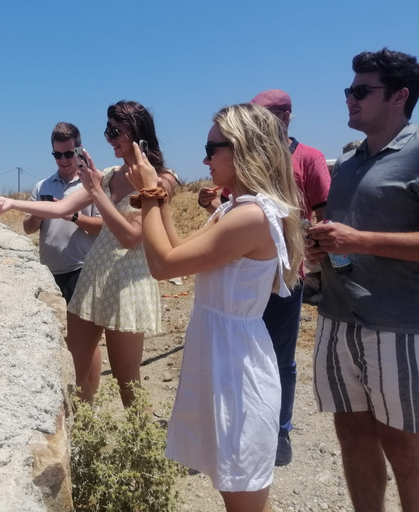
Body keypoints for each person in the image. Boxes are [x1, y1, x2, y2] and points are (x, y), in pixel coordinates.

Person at [127, 103, 304, 512]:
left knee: (243, 497)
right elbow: (178, 252)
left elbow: (162, 265)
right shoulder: (234, 209)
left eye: (212, 149)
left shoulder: (252, 216)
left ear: (242, 149)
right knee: (234, 492)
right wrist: (161, 203)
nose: (204, 159)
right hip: (222, 357)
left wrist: (151, 193)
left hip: (237, 368)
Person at [0, 101, 178, 407]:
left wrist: (98, 193)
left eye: (115, 131)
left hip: (127, 285)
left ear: (137, 132)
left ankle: (142, 451)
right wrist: (13, 203)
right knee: (73, 368)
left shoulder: (161, 179)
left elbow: (130, 237)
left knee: (128, 384)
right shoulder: (110, 175)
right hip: (93, 278)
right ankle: (84, 435)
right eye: (107, 130)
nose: (109, 138)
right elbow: (61, 207)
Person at [306, 48, 419, 512]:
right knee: (352, 437)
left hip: (397, 327)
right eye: (348, 91)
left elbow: (361, 238)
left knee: (405, 451)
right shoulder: (348, 164)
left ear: (400, 97)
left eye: (360, 91)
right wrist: (322, 248)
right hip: (337, 321)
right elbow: (347, 240)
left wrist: (359, 239)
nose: (349, 100)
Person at [198, 89, 331, 466]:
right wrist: (213, 206)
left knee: (281, 356)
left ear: (285, 117)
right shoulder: (243, 162)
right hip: (242, 269)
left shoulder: (310, 158)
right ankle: (233, 431)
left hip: (287, 273)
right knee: (244, 354)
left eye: (265, 113)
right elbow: (234, 209)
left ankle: (279, 431)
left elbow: (323, 211)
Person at [23, 122, 102, 305]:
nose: (63, 160)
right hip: (47, 273)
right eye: (57, 155)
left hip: (82, 271)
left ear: (78, 151)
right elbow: (28, 228)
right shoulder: (42, 186)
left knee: (80, 332)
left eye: (68, 154)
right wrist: (38, 215)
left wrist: (72, 216)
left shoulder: (91, 185)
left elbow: (102, 227)